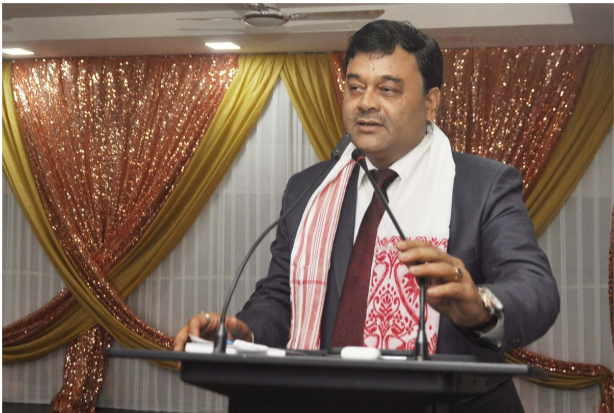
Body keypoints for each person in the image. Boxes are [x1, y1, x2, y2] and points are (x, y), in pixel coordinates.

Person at [174, 20, 559, 412]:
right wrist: (246, 332)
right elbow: (280, 297)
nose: (365, 103)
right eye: (355, 87)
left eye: (387, 89)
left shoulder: (483, 185)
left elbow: (536, 288)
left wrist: (481, 306)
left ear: (430, 103)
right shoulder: (308, 189)